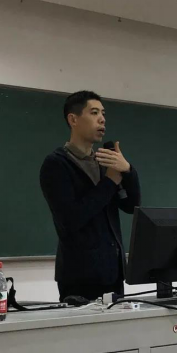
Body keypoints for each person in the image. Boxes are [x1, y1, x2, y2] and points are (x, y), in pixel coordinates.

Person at [40, 91, 141, 302]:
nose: (102, 119)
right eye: (94, 113)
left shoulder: (104, 162)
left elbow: (131, 206)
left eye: (103, 113)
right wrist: (110, 181)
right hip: (79, 276)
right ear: (73, 119)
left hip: (113, 272)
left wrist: (128, 171)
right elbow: (71, 219)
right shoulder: (56, 164)